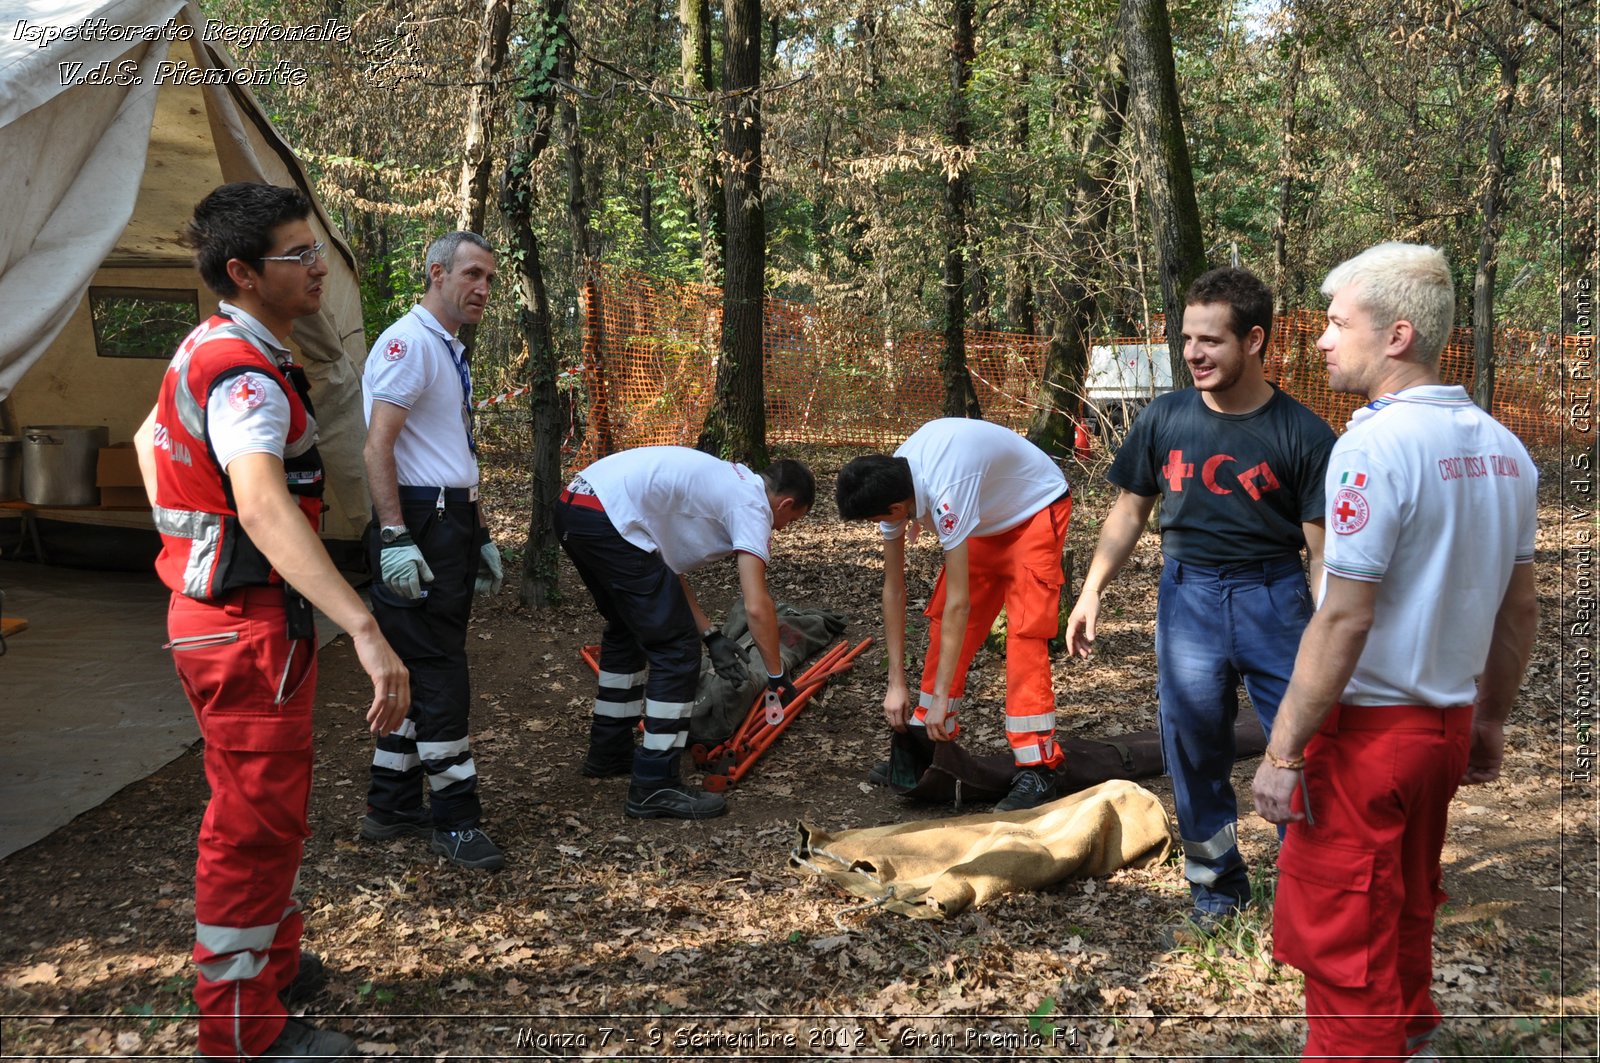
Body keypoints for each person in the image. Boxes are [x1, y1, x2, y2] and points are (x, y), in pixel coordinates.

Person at [133, 182, 410, 1063]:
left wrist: (192, 538)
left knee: (261, 806)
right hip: (246, 624)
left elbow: (149, 441)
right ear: (245, 273)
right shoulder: (246, 374)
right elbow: (261, 503)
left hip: (219, 613)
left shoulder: (212, 347)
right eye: (299, 255)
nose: (318, 265)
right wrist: (363, 625)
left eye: (315, 248)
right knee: (253, 821)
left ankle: (271, 966)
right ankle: (242, 1026)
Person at [1252, 243, 1538, 1060]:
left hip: (1368, 735)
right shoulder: (1502, 449)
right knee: (1406, 906)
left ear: (1399, 335)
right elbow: (1520, 608)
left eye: (1339, 322)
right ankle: (1411, 1043)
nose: (1322, 340)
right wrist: (1488, 721)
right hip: (1442, 725)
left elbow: (1344, 619)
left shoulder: (1373, 449)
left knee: (1344, 944)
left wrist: (1283, 749)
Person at [1064, 267, 1336, 932]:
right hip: (1188, 597)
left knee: (1305, 744)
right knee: (1192, 748)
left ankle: (1310, 892)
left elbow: (1323, 550)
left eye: (1210, 340)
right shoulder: (1164, 417)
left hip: (1275, 596)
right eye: (1187, 337)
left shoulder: (1303, 432)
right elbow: (1130, 509)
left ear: (1255, 340)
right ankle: (1217, 889)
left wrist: (1329, 627)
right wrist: (1091, 589)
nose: (1192, 353)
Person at [556, 446, 814, 819]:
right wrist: (776, 675)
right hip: (607, 518)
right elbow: (757, 605)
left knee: (627, 630)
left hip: (577, 506)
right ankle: (654, 784)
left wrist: (710, 635)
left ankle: (609, 751)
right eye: (792, 520)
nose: (783, 528)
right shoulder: (752, 505)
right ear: (786, 504)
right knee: (676, 651)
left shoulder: (727, 481)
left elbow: (664, 572)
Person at [358, 232, 507, 870]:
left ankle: (391, 804)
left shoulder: (445, 347)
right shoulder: (409, 344)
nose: (481, 289)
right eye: (471, 275)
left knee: (426, 662)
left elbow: (451, 450)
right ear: (437, 273)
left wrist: (482, 532)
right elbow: (377, 447)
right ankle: (455, 817)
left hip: (449, 519)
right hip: (420, 520)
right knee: (441, 666)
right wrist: (395, 533)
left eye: (489, 281)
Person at [836, 418, 1073, 812]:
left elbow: (964, 602)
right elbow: (894, 588)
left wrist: (945, 695)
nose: (881, 526)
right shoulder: (893, 479)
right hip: (986, 518)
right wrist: (896, 682)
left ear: (897, 509)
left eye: (881, 519)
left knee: (1025, 634)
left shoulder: (948, 493)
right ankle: (930, 737)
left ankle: (1038, 766)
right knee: (942, 617)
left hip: (1034, 507)